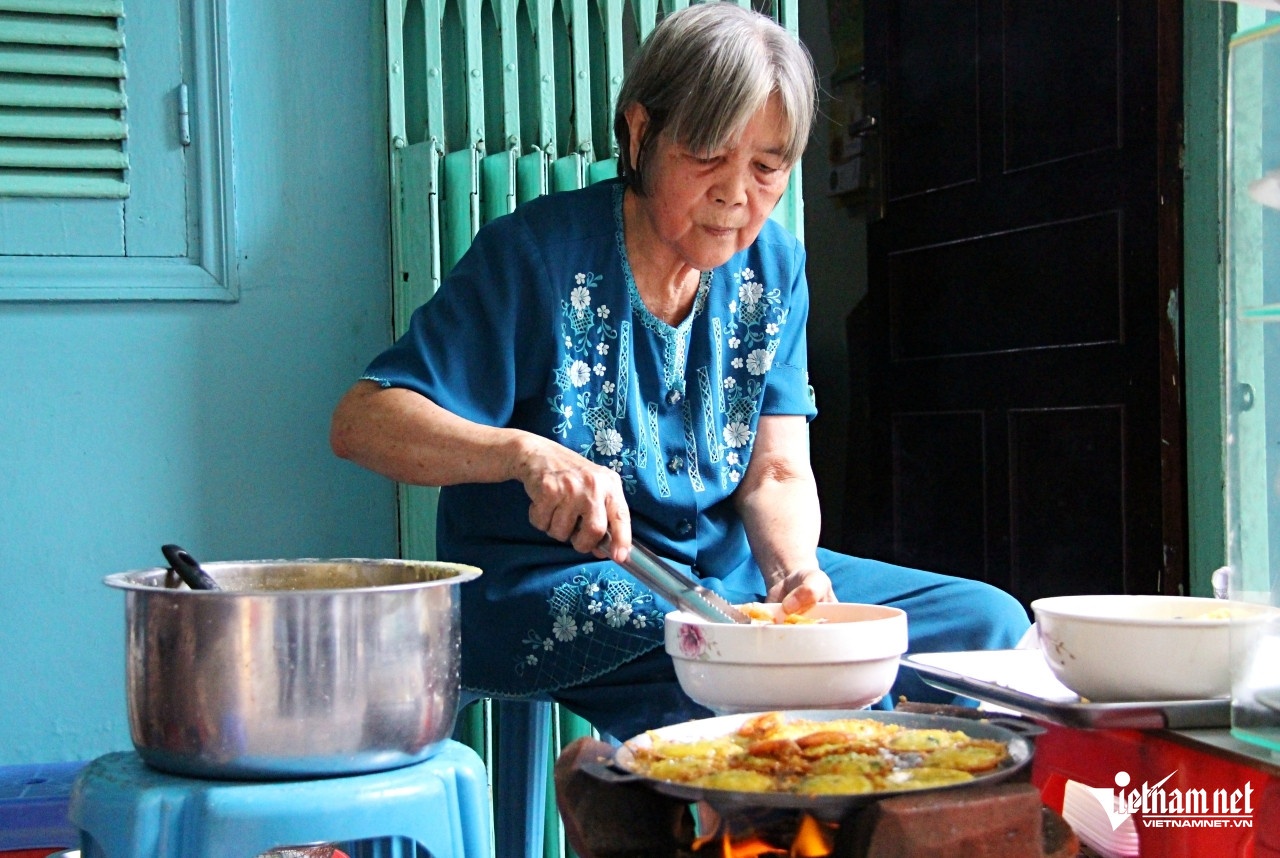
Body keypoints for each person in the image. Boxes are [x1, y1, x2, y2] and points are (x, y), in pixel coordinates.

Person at [331, 1, 1029, 742]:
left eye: (767, 168)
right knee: (741, 664)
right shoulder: (534, 258)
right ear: (641, 132)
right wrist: (525, 454)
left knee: (986, 626)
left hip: (733, 585)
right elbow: (364, 420)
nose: (737, 194)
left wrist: (792, 577)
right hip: (552, 585)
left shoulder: (775, 270)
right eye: (709, 157)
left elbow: (777, 473)